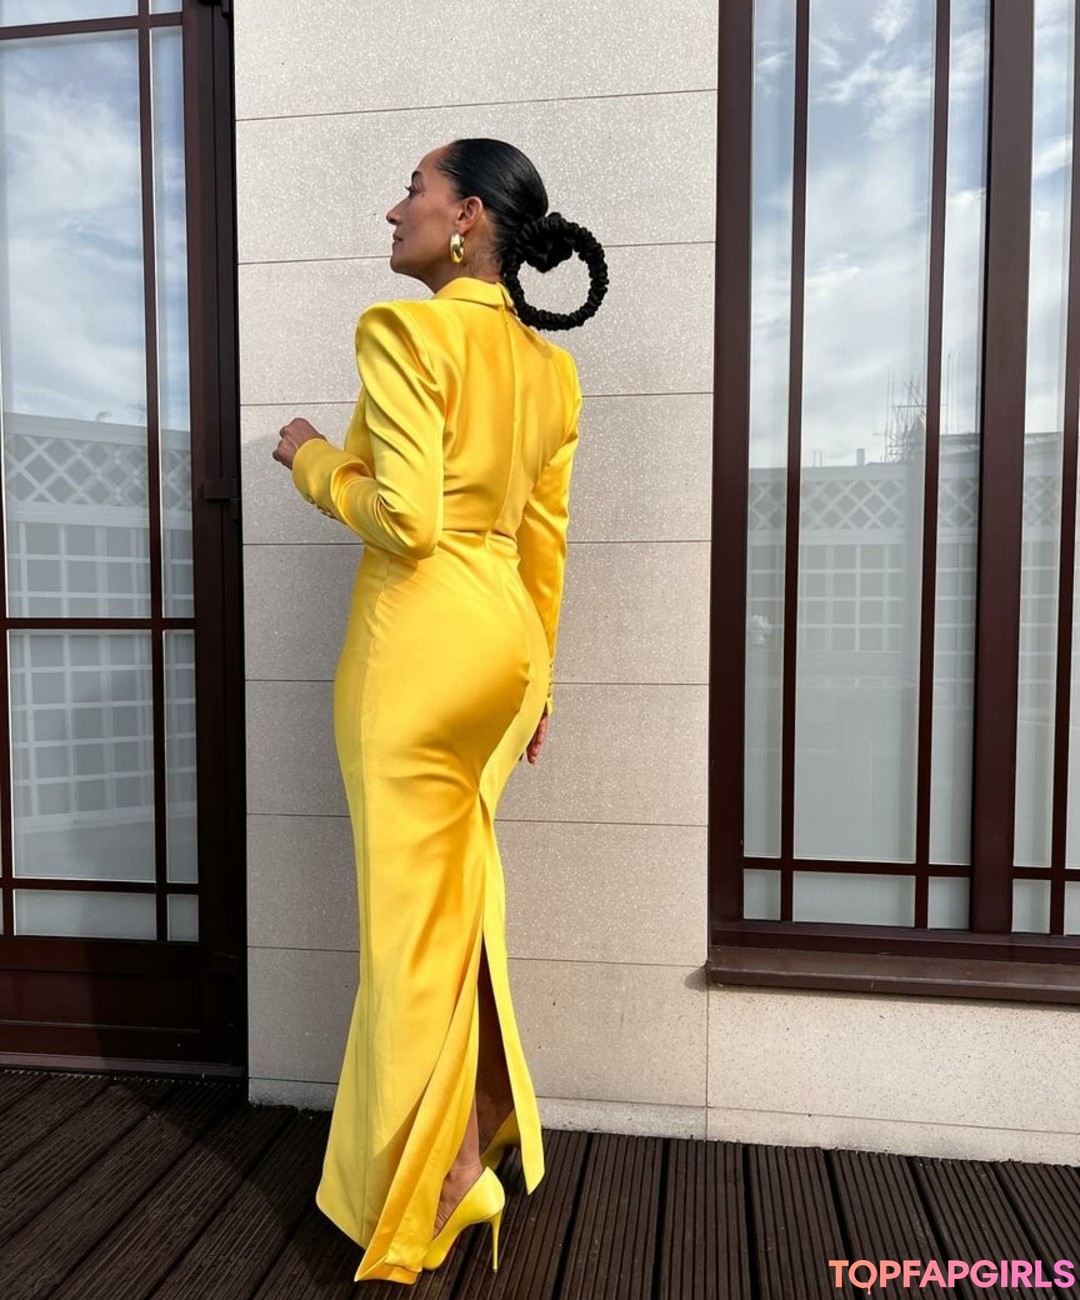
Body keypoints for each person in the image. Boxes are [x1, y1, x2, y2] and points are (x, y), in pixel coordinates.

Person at [271, 138, 608, 1284]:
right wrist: (539, 679)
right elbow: (546, 540)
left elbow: (408, 520)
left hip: (415, 651)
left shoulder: (403, 333)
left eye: (413, 189)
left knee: (407, 932)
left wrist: (311, 457)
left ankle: (436, 1186)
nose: (393, 209)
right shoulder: (552, 372)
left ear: (467, 217)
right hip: (501, 648)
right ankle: (468, 1148)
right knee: (455, 910)